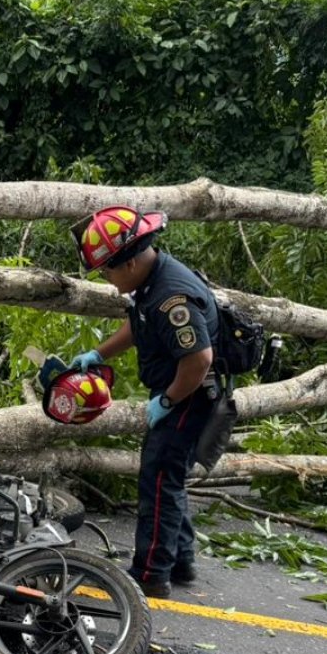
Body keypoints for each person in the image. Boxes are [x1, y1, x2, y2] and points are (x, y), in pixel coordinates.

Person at [56, 206, 220, 597]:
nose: (107, 281)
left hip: (189, 392)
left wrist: (167, 400)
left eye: (108, 272)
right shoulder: (150, 282)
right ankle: (180, 559)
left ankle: (151, 573)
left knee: (159, 479)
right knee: (168, 476)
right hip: (180, 387)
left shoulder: (171, 297)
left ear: (128, 263)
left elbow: (199, 359)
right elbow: (138, 323)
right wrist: (98, 354)